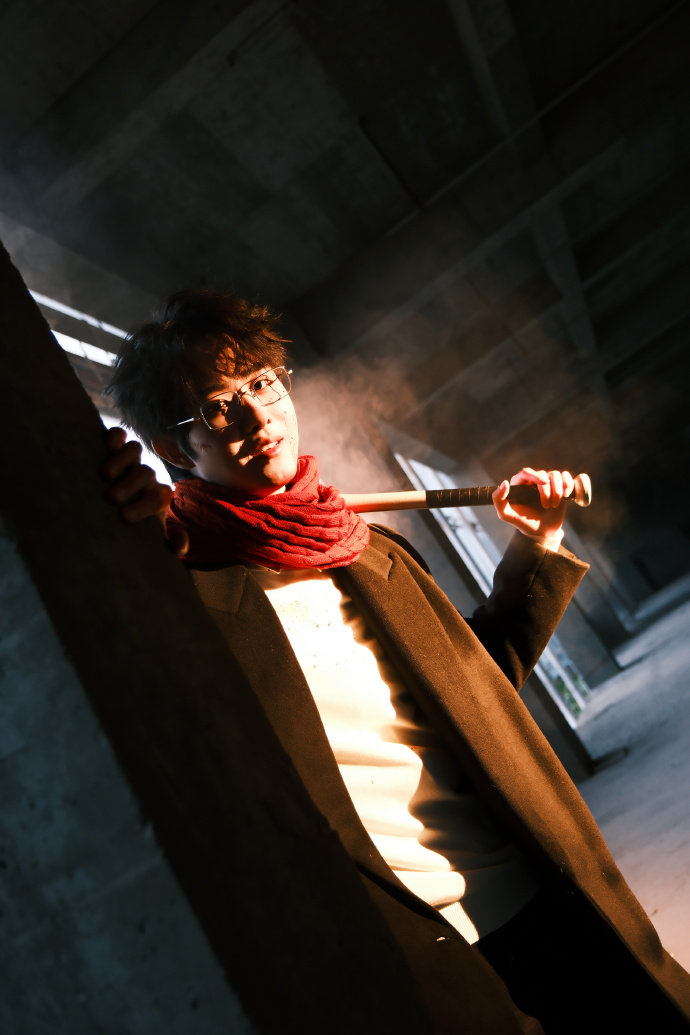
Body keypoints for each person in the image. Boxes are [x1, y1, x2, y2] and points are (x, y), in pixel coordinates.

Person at [101, 287, 690, 1034]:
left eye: (262, 384)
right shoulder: (186, 595)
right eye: (218, 406)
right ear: (173, 449)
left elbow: (478, 687)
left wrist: (538, 543)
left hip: (538, 889)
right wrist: (111, 525)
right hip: (415, 949)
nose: (257, 417)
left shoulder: (365, 548)